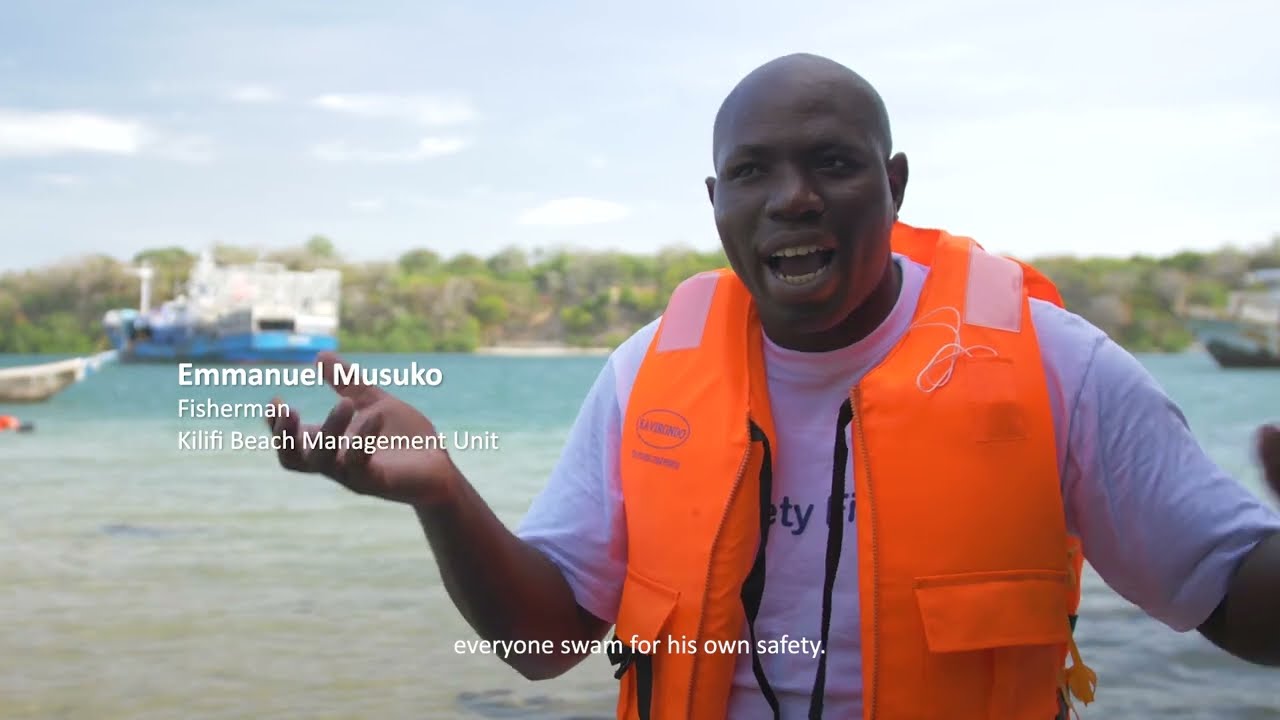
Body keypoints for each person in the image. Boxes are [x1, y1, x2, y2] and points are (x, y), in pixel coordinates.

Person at [266, 53, 1280, 719]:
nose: (791, 199)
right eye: (751, 172)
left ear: (894, 184)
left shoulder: (1051, 364)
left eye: (832, 163)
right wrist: (443, 493)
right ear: (715, 203)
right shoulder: (646, 374)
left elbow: (1229, 599)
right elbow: (544, 644)